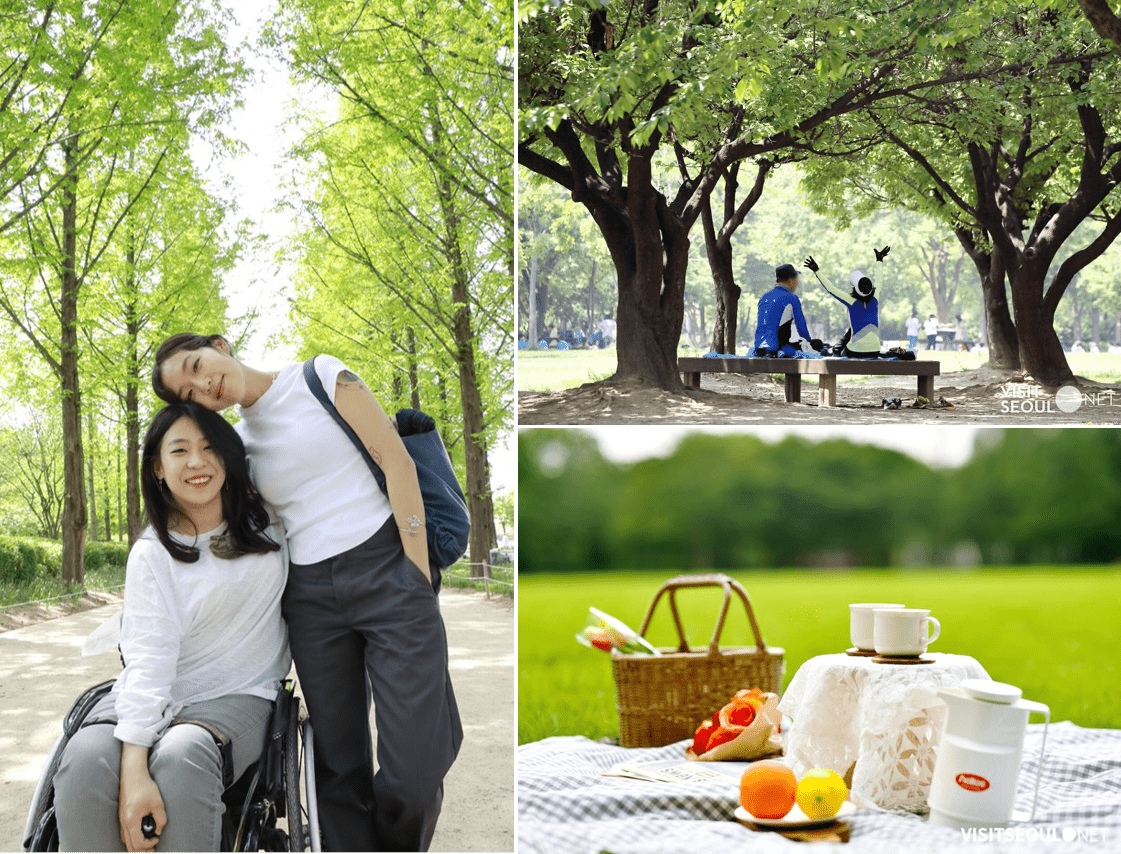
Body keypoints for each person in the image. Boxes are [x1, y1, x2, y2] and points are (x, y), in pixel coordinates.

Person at [152, 334, 462, 853]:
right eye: (191, 393)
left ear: (219, 345)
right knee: (338, 766)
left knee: (415, 768)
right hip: (312, 599)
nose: (204, 384)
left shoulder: (319, 376)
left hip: (390, 570)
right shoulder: (237, 449)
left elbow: (397, 463)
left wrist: (415, 569)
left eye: (196, 365)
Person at [53, 402, 290, 853]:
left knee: (184, 757)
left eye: (209, 447)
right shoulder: (151, 553)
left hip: (239, 692)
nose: (197, 462)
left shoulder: (272, 525)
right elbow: (150, 657)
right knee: (84, 761)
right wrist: (134, 765)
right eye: (180, 450)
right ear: (159, 468)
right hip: (157, 691)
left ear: (229, 456)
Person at [804, 249, 889, 358]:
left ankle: (832, 351)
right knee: (853, 330)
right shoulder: (875, 298)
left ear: (855, 289)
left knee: (840, 349)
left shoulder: (851, 300)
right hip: (875, 350)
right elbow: (879, 281)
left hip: (855, 351)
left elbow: (831, 288)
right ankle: (835, 349)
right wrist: (879, 260)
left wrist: (817, 271)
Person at [753, 264, 824, 357]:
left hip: (759, 349)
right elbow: (802, 330)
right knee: (817, 344)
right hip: (777, 350)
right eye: (796, 280)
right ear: (791, 281)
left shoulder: (764, 297)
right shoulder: (792, 298)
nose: (797, 283)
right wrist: (809, 344)